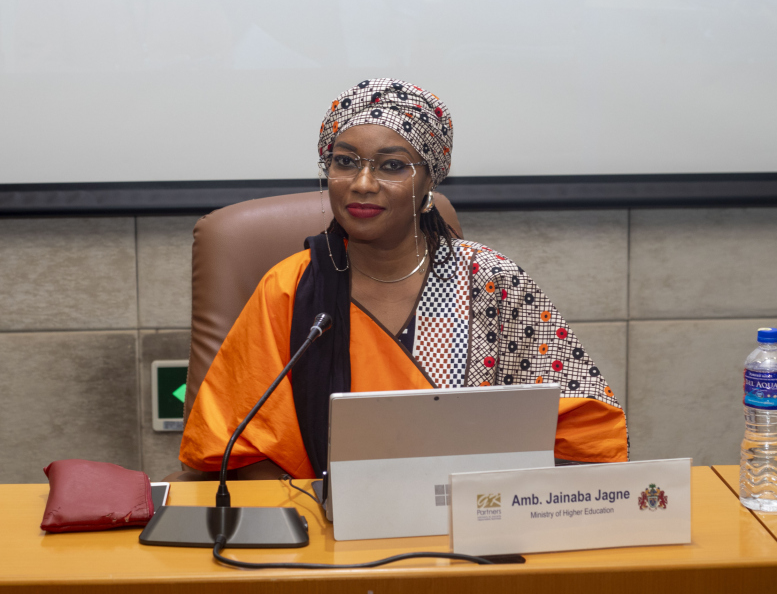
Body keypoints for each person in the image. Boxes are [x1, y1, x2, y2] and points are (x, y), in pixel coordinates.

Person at [177, 78, 627, 480]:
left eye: (392, 166)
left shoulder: (491, 281)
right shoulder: (292, 287)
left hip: (476, 519)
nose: (362, 183)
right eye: (345, 162)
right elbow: (238, 442)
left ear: (430, 180)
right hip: (325, 524)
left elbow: (582, 433)